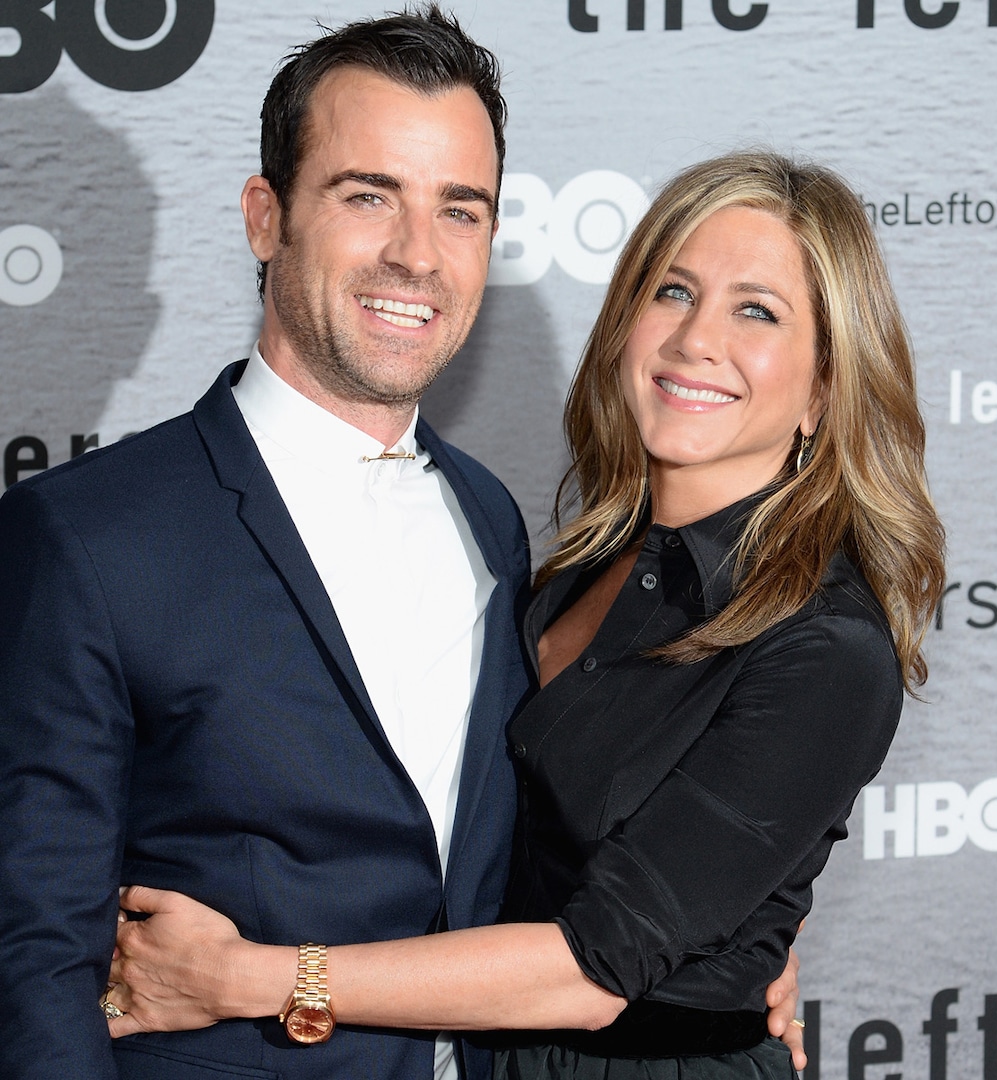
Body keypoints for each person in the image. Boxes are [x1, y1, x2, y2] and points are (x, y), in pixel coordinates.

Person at [0, 10, 801, 1080]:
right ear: (265, 218)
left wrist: (725, 960)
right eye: (368, 195)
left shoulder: (490, 519)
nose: (417, 255)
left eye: (459, 210)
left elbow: (553, 841)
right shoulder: (88, 538)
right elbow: (34, 965)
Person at [102, 150, 946, 1080]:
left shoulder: (827, 646)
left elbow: (594, 969)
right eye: (673, 291)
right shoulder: (571, 562)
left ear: (824, 387)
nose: (696, 339)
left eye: (758, 311)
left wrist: (246, 978)